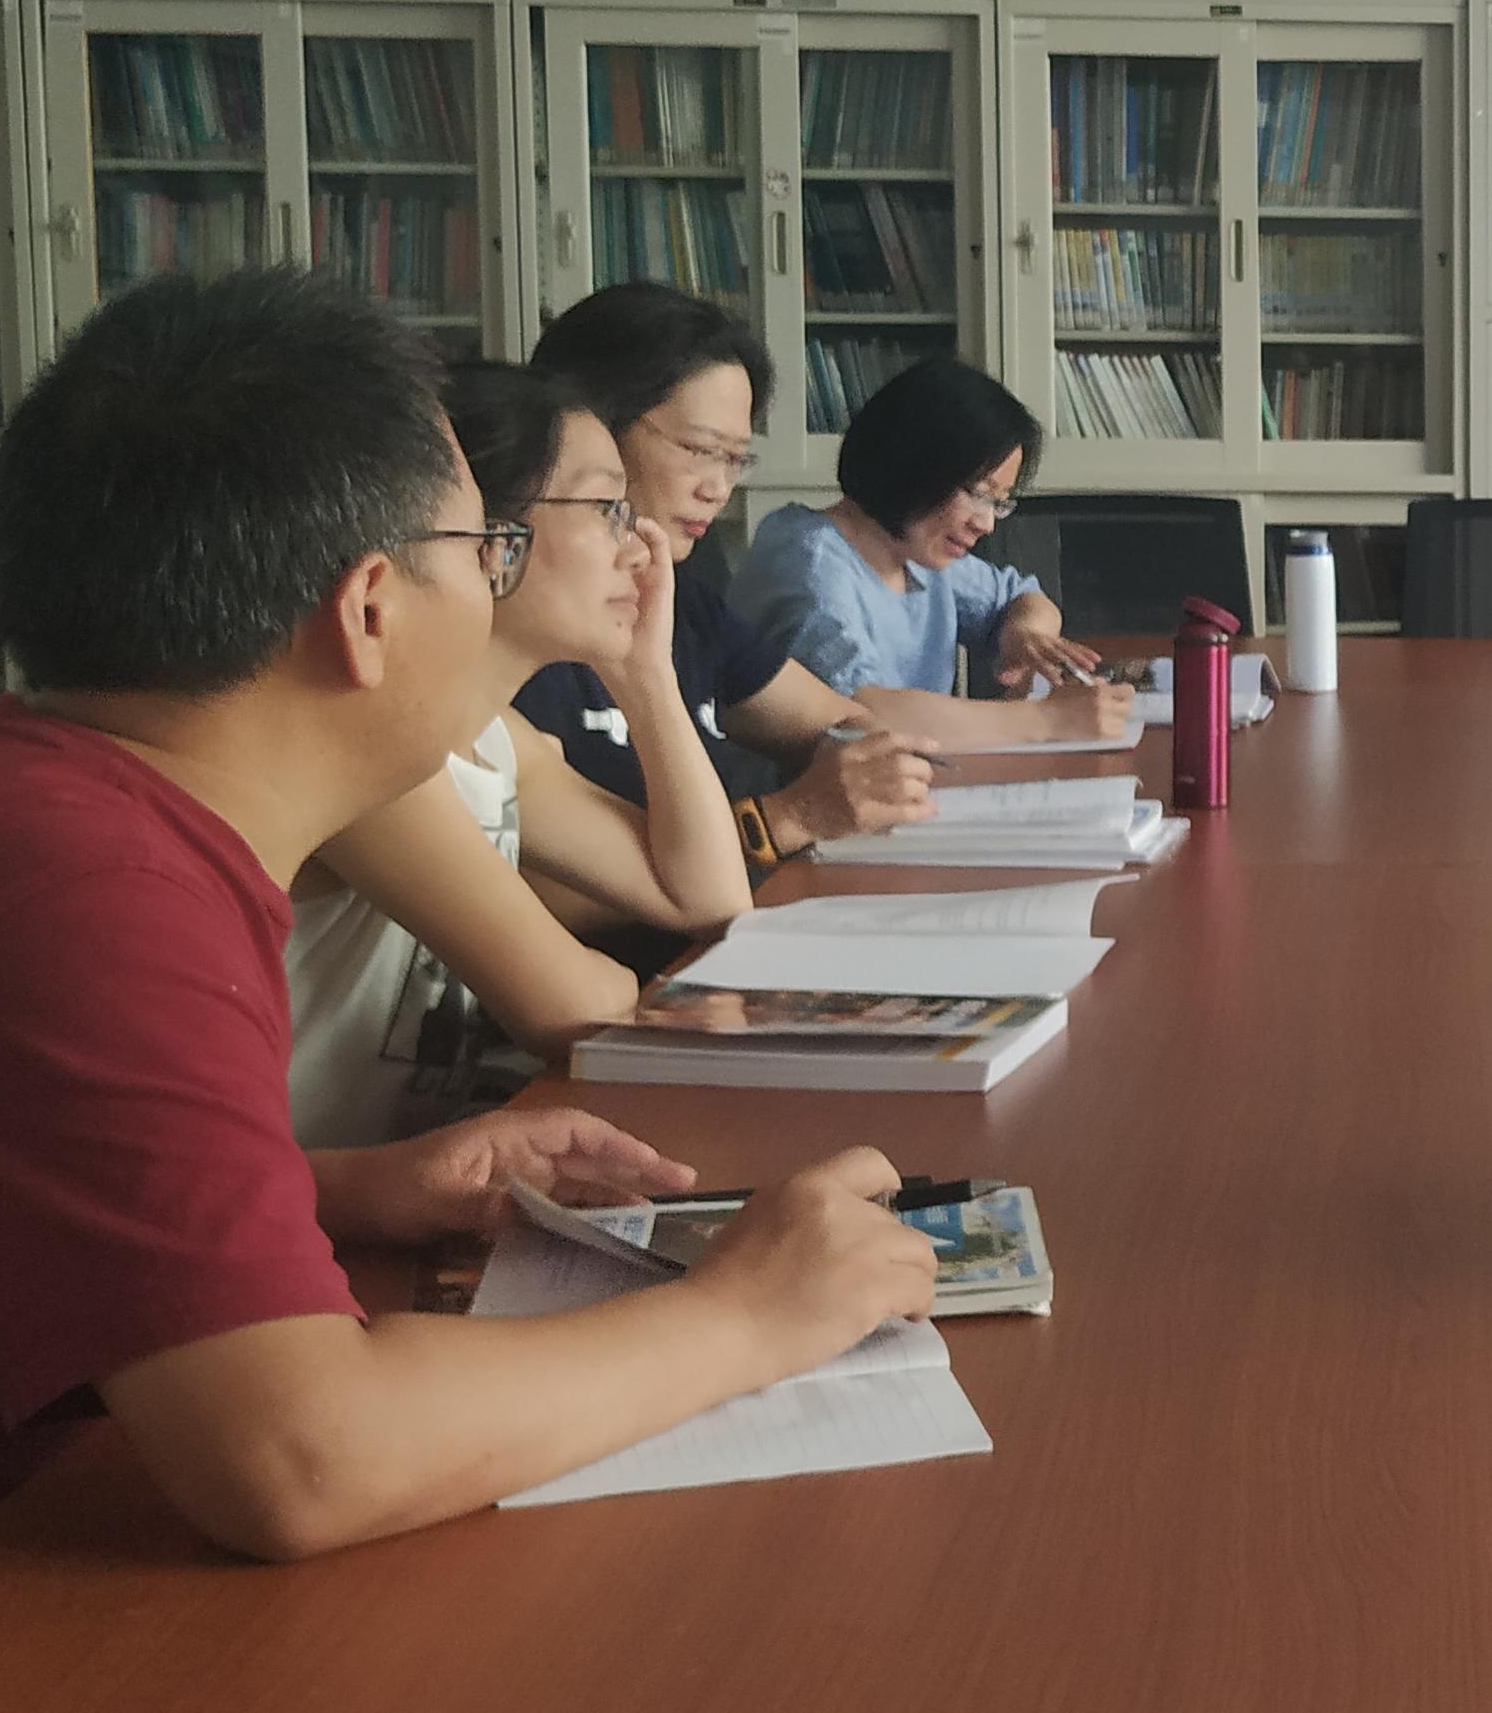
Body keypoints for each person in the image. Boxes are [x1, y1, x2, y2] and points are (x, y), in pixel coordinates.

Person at [0, 272, 937, 1691]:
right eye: (485, 548)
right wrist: (749, 1313)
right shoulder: (87, 897)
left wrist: (341, 1188)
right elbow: (303, 1460)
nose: (498, 585)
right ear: (368, 608)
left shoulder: (44, 796)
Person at [281, 362, 757, 1148]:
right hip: (320, 1195)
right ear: (487, 534)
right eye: (607, 508)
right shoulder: (378, 754)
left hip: (420, 1167)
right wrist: (605, 980)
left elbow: (708, 896)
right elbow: (577, 1010)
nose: (640, 549)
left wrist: (645, 677)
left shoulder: (502, 743)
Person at [513, 288, 1119, 873]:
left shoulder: (683, 598)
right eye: (700, 450)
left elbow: (848, 721)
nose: (719, 490)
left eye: (736, 460)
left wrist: (867, 759)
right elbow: (625, 891)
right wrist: (790, 816)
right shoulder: (526, 640)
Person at [732, 354, 1124, 724]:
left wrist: (1025, 634)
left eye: (998, 502)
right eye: (978, 493)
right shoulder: (811, 564)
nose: (986, 523)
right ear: (913, 464)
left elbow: (1025, 598)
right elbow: (865, 716)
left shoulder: (914, 551)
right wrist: (1042, 721)